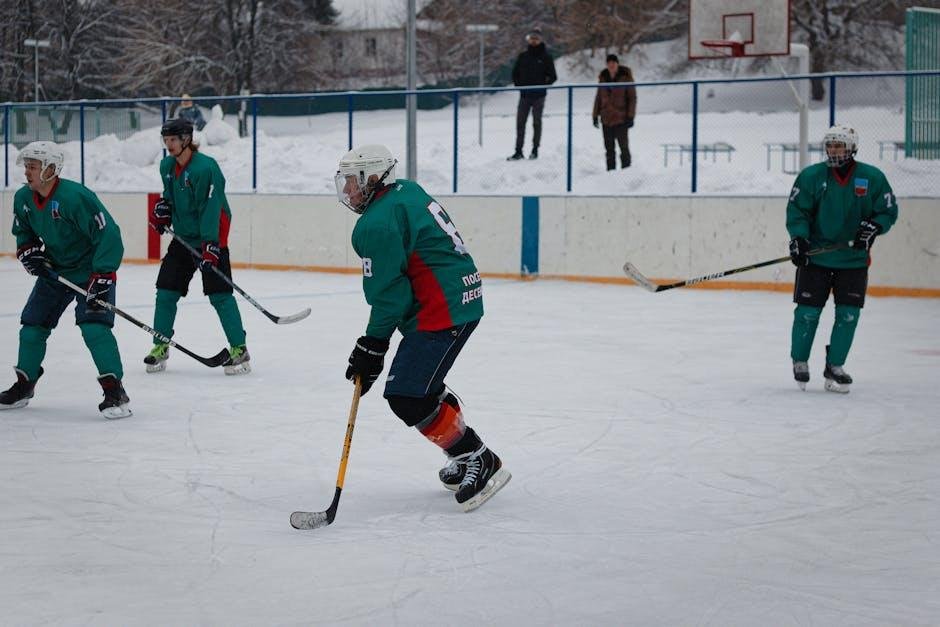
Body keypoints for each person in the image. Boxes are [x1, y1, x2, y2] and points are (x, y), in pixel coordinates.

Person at [335, 144, 511, 512]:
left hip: (442, 311)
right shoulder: (407, 191)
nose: (348, 191)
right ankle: (465, 455)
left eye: (353, 182)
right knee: (420, 386)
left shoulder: (375, 224)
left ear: (373, 178)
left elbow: (389, 297)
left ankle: (477, 456)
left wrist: (372, 346)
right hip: (461, 297)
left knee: (407, 394)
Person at [1, 141, 131, 419]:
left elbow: (109, 234)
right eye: (26, 167)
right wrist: (28, 251)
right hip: (55, 270)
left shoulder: (75, 197)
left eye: (33, 167)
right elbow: (23, 232)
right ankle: (25, 385)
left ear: (50, 169)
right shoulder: (24, 198)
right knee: (32, 328)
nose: (27, 172)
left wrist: (104, 275)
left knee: (94, 329)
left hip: (92, 272)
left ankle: (114, 390)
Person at [786, 124, 898, 393]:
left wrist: (874, 227)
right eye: (830, 145)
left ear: (852, 147)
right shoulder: (811, 176)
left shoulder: (872, 177)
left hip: (853, 261)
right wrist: (799, 239)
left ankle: (835, 365)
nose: (834, 150)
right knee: (807, 313)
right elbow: (797, 211)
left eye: (839, 145)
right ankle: (800, 360)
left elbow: (888, 210)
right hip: (816, 258)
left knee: (848, 315)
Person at [145, 117, 250, 375]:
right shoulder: (167, 167)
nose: (168, 145)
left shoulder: (206, 168)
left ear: (186, 139)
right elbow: (170, 198)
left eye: (173, 139)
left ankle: (239, 348)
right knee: (166, 291)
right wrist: (163, 212)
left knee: (220, 296)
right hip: (182, 240)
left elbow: (211, 208)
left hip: (211, 240)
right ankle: (160, 344)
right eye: (166, 139)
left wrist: (212, 245)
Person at [508, 27, 557, 161]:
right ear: (528, 40)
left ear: (540, 40)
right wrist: (520, 87)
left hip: (539, 96)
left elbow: (553, 76)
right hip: (524, 96)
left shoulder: (546, 57)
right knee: (520, 123)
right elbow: (514, 74)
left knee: (536, 123)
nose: (534, 41)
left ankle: (535, 150)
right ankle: (518, 151)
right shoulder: (523, 56)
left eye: (536, 38)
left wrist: (542, 87)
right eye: (532, 38)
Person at [592, 53, 637, 170]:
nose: (611, 65)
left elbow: (632, 98)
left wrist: (630, 116)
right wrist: (595, 115)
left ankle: (626, 171)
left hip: (621, 118)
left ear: (617, 64)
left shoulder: (625, 77)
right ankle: (610, 172)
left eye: (613, 63)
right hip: (606, 119)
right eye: (609, 63)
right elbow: (598, 97)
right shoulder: (603, 78)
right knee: (609, 148)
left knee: (624, 147)